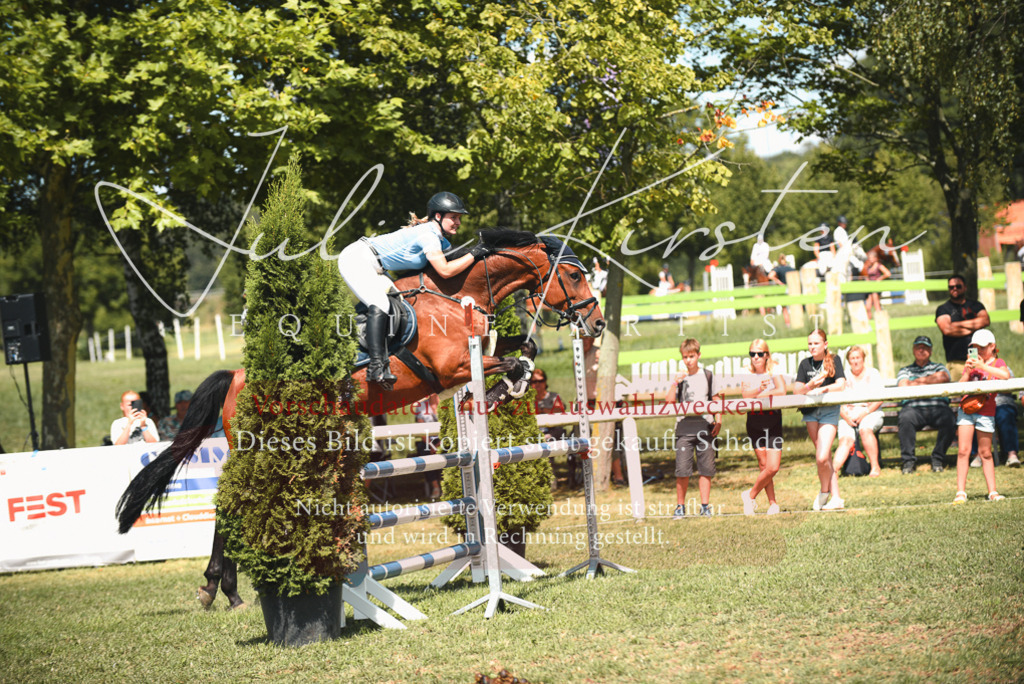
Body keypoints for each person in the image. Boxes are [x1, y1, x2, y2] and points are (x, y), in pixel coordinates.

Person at [337, 191, 484, 390]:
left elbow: (453, 263)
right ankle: (376, 366)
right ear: (438, 217)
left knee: (399, 303)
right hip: (357, 259)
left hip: (376, 267)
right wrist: (475, 253)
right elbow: (445, 271)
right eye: (454, 217)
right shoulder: (429, 235)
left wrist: (479, 253)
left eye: (459, 218)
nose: (458, 222)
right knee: (380, 303)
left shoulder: (440, 239)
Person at [667, 338, 723, 518]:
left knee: (706, 469)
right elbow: (668, 402)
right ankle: (680, 507)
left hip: (704, 427)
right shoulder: (679, 378)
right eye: (685, 357)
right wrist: (674, 383)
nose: (688, 360)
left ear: (698, 355)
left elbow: (716, 400)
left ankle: (705, 506)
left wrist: (719, 420)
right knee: (682, 470)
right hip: (683, 428)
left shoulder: (707, 375)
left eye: (692, 356)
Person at [953, 329, 1009, 503]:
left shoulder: (998, 362)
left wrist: (983, 367)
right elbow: (959, 386)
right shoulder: (970, 363)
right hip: (967, 410)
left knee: (985, 452)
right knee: (963, 451)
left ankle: (992, 491)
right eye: (976, 347)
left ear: (992, 346)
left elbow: (1006, 376)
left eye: (982, 347)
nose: (979, 350)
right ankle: (960, 492)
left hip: (986, 411)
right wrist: (969, 372)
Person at [793, 329, 846, 511]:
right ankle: (836, 498)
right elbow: (797, 391)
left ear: (825, 344)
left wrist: (823, 389)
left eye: (816, 343)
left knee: (823, 456)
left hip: (829, 411)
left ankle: (824, 492)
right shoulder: (804, 364)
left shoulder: (834, 360)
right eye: (810, 343)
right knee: (822, 458)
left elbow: (841, 384)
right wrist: (811, 385)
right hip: (810, 413)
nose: (812, 347)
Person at [831, 347, 885, 509]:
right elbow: (836, 401)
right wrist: (846, 416)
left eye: (858, 358)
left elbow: (880, 399)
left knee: (865, 429)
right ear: (848, 361)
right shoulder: (843, 377)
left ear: (863, 359)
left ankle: (875, 466)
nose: (855, 361)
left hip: (870, 412)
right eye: (852, 358)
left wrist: (864, 413)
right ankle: (833, 471)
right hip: (847, 415)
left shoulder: (873, 374)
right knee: (846, 440)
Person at [895, 335, 956, 474]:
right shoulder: (905, 370)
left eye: (925, 347)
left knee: (950, 419)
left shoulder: (938, 366)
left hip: (938, 407)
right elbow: (903, 385)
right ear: (913, 350)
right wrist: (931, 380)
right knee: (905, 419)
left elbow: (944, 377)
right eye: (918, 347)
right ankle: (908, 462)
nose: (921, 350)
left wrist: (915, 381)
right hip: (913, 409)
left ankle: (938, 458)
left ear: (931, 351)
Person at [739, 339, 786, 516]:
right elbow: (745, 395)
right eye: (752, 354)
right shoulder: (746, 371)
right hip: (755, 422)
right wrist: (760, 388)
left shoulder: (774, 368)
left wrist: (763, 393)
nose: (756, 357)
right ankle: (772, 504)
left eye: (760, 354)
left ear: (767, 355)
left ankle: (749, 495)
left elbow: (781, 390)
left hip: (773, 420)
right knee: (763, 465)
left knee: (773, 467)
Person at [935, 274, 990, 380]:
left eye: (958, 286)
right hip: (957, 362)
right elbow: (946, 329)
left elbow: (985, 320)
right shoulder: (943, 309)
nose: (954, 289)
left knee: (984, 394)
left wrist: (957, 324)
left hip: (981, 360)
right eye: (951, 287)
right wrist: (974, 328)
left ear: (965, 287)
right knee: (958, 395)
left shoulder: (976, 305)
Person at [412, 394, 442, 500]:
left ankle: (445, 482)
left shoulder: (444, 400)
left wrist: (440, 444)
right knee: (423, 450)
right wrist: (431, 445)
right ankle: (436, 486)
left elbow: (449, 425)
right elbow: (422, 430)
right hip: (429, 440)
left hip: (445, 438)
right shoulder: (420, 405)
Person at [861, 251, 891, 319]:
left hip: (876, 287)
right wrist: (867, 280)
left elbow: (888, 273)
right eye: (869, 258)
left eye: (871, 258)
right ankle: (869, 323)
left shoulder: (879, 265)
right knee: (868, 307)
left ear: (875, 258)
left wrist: (879, 279)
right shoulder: (869, 266)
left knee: (876, 304)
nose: (870, 259)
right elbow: (867, 276)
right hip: (869, 287)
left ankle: (881, 320)